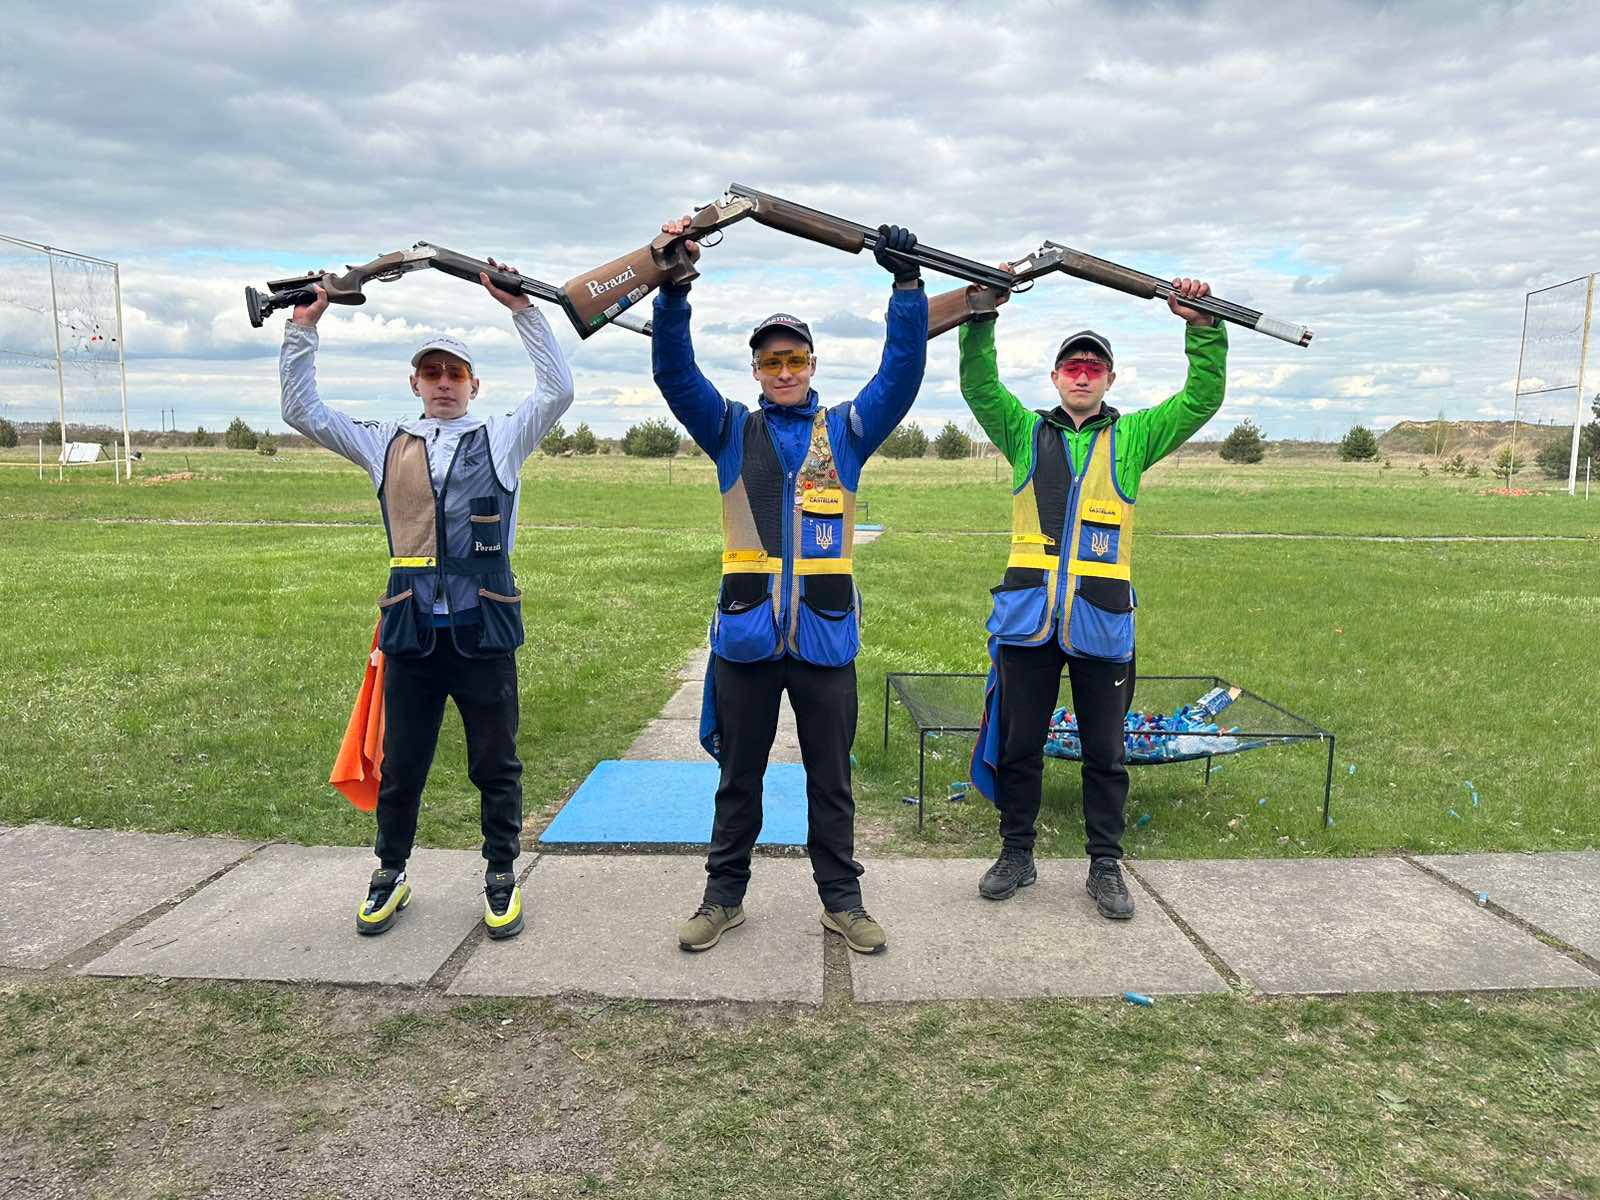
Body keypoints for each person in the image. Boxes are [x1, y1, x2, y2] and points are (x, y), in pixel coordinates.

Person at [651, 215, 928, 954]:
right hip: (746, 638)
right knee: (738, 781)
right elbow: (674, 373)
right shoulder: (727, 429)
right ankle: (722, 898)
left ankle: (843, 902)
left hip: (825, 640)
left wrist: (907, 287)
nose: (783, 371)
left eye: (794, 358)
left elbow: (901, 374)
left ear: (810, 364)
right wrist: (673, 292)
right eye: (770, 361)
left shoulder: (847, 430)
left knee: (830, 784)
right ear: (755, 370)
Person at [280, 261, 574, 939]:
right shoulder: (385, 441)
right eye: (432, 373)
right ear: (414, 383)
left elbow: (557, 389)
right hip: (411, 631)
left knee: (495, 763)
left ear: (473, 384)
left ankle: (501, 873)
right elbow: (301, 411)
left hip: (484, 630)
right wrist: (303, 327)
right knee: (402, 765)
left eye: (455, 374)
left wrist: (522, 310)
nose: (444, 384)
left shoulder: (501, 437)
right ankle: (390, 871)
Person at [962, 277, 1226, 919]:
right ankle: (1016, 853)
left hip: (1102, 625)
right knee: (1019, 746)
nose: (1082, 375)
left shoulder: (1134, 437)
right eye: (1072, 366)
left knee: (1106, 754)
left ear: (1110, 378)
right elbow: (979, 386)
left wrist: (1203, 328)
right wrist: (981, 315)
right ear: (1055, 377)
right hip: (1028, 622)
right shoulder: (1023, 432)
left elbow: (1201, 399)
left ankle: (1105, 865)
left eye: (1094, 367)